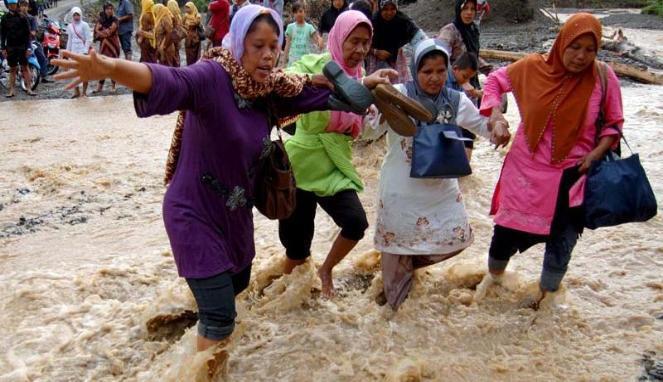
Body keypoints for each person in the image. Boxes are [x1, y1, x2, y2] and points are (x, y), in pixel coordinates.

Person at [55, 3, 389, 357]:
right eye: (257, 45)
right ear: (239, 42)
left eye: (274, 46)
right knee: (220, 318)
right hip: (194, 213)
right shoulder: (211, 77)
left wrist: (365, 83)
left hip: (234, 217)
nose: (268, 55)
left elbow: (317, 92)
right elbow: (165, 78)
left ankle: (184, 327)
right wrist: (107, 67)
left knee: (238, 284)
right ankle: (205, 358)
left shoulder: (271, 88)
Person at [473, 13, 624, 309]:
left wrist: (596, 154)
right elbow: (493, 82)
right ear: (561, 42)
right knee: (503, 236)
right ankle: (490, 288)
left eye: (589, 50)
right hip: (524, 175)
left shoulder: (603, 78)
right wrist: (496, 115)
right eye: (574, 47)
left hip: (574, 175)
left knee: (562, 243)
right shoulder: (531, 67)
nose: (581, 57)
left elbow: (614, 125)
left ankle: (544, 303)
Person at [363, 39, 510, 310]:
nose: (434, 78)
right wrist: (378, 111)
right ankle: (394, 323)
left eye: (440, 71)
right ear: (415, 70)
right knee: (396, 282)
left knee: (458, 238)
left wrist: (499, 126)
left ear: (448, 70)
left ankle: (405, 266)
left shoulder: (456, 100)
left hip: (440, 190)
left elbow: (482, 126)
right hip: (400, 189)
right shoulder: (396, 93)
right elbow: (366, 131)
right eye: (427, 71)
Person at [278, 10, 397, 298]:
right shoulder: (314, 65)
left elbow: (362, 132)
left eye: (365, 43)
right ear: (338, 37)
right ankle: (283, 298)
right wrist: (336, 84)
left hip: (335, 163)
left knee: (356, 222)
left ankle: (326, 269)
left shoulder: (361, 78)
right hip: (302, 163)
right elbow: (285, 85)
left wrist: (379, 113)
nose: (360, 49)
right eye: (353, 41)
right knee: (297, 246)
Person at [438, 0, 493, 161]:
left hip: (471, 86)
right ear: (458, 10)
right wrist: (461, 81)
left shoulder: (473, 30)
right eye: (465, 9)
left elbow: (474, 56)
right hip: (451, 86)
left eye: (472, 9)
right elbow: (440, 57)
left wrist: (490, 71)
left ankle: (464, 175)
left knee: (469, 131)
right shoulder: (449, 31)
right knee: (449, 128)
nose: (469, 13)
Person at [367, 0, 426, 83]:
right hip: (375, 59)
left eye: (392, 9)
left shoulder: (402, 20)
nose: (389, 13)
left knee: (397, 86)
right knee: (378, 86)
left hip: (396, 59)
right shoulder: (373, 22)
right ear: (380, 8)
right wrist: (376, 52)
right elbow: (362, 44)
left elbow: (418, 36)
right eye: (385, 9)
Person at [1, 0, 35, 97]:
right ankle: (11, 90)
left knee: (25, 67)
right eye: (11, 4)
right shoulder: (5, 18)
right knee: (12, 69)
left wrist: (28, 48)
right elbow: (3, 35)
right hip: (11, 47)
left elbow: (28, 34)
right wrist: (3, 48)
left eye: (14, 4)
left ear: (17, 5)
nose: (12, 6)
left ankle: (29, 88)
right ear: (8, 6)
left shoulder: (23, 17)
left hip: (22, 46)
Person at [282, 2, 322, 67]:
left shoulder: (309, 27)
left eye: (300, 11)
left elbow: (317, 42)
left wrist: (319, 41)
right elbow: (287, 45)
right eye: (295, 12)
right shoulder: (290, 27)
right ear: (293, 14)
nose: (298, 14)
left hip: (305, 61)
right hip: (293, 61)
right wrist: (283, 62)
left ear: (304, 12)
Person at [20, 0, 50, 84]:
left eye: (25, 6)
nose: (23, 8)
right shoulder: (16, 18)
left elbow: (33, 32)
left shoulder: (31, 18)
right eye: (22, 6)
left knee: (41, 56)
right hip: (18, 42)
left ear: (28, 7)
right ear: (19, 7)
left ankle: (44, 75)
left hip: (31, 41)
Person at [65, 7, 92, 98]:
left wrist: (85, 51)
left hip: (82, 50)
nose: (76, 16)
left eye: (78, 15)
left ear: (80, 15)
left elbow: (88, 39)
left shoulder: (85, 25)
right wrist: (67, 52)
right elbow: (69, 39)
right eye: (74, 15)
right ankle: (76, 91)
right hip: (73, 50)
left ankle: (84, 92)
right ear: (72, 15)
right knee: (73, 72)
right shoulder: (70, 26)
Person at [94, 2, 121, 93]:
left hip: (113, 46)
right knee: (102, 65)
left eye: (111, 9)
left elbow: (110, 31)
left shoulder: (115, 20)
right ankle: (100, 87)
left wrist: (100, 31)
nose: (110, 10)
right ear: (104, 10)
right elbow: (96, 33)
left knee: (112, 65)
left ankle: (113, 86)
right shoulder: (101, 20)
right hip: (104, 47)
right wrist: (101, 32)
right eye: (107, 9)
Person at [167, 0, 186, 64]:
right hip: (178, 38)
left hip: (172, 39)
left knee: (172, 56)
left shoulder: (170, 17)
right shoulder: (179, 16)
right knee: (177, 55)